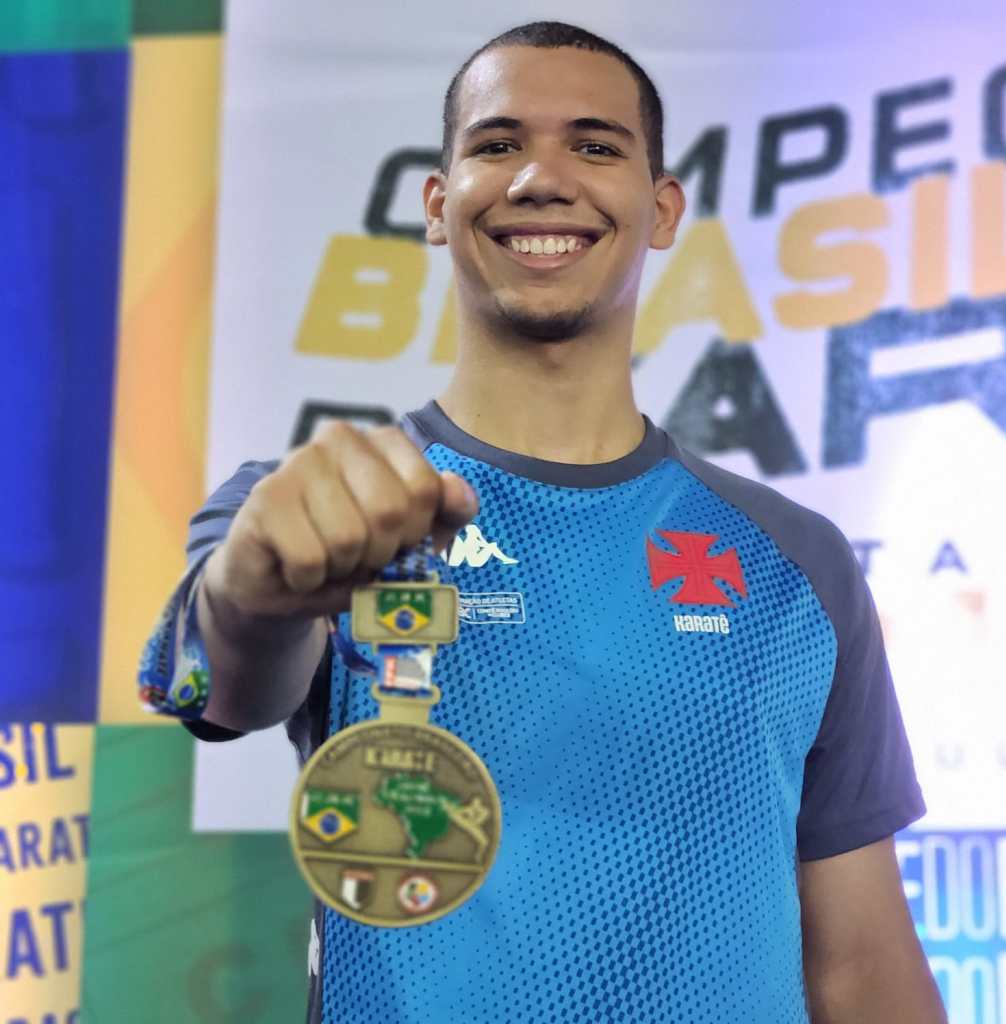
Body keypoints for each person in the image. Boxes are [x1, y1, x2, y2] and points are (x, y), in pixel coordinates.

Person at [141, 21, 948, 1024]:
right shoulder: (318, 510)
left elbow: (862, 963)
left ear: (661, 209)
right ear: (437, 206)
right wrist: (255, 590)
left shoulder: (797, 563)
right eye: (497, 144)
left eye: (595, 146)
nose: (541, 179)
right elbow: (222, 687)